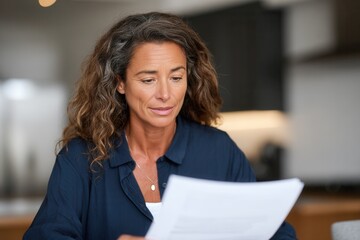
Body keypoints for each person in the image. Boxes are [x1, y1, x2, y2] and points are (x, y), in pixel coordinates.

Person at [23, 12, 297, 240]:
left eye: (176, 77)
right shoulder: (80, 158)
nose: (166, 94)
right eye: (148, 80)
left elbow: (277, 234)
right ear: (120, 82)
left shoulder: (219, 151)